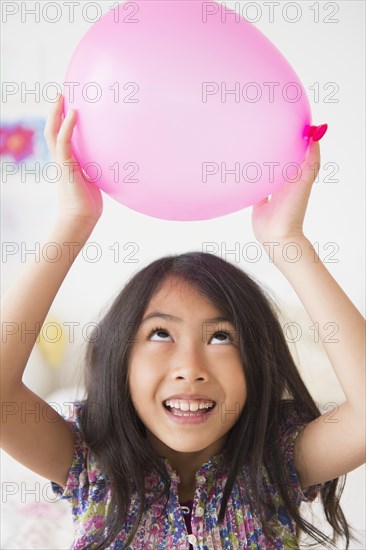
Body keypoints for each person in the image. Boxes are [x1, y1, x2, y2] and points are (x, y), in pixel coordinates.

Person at [1, 94, 365, 550]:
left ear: (257, 361)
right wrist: (74, 220)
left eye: (220, 336)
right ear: (120, 359)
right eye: (159, 333)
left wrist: (286, 239)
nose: (190, 367)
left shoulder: (277, 462)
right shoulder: (90, 461)